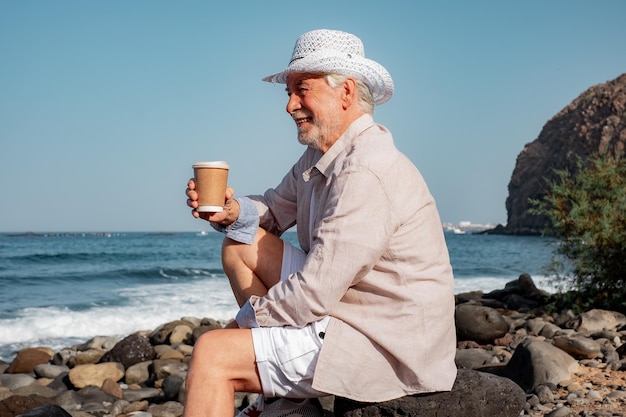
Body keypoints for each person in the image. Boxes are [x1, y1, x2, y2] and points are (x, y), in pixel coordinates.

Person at [183, 29, 457, 417]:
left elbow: (313, 292)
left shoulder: (366, 170)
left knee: (212, 354)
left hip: (383, 336)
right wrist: (227, 212)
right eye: (289, 92)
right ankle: (286, 398)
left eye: (302, 90)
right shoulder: (320, 154)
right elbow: (274, 211)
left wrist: (243, 326)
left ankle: (272, 386)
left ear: (345, 92)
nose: (290, 105)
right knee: (240, 244)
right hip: (348, 302)